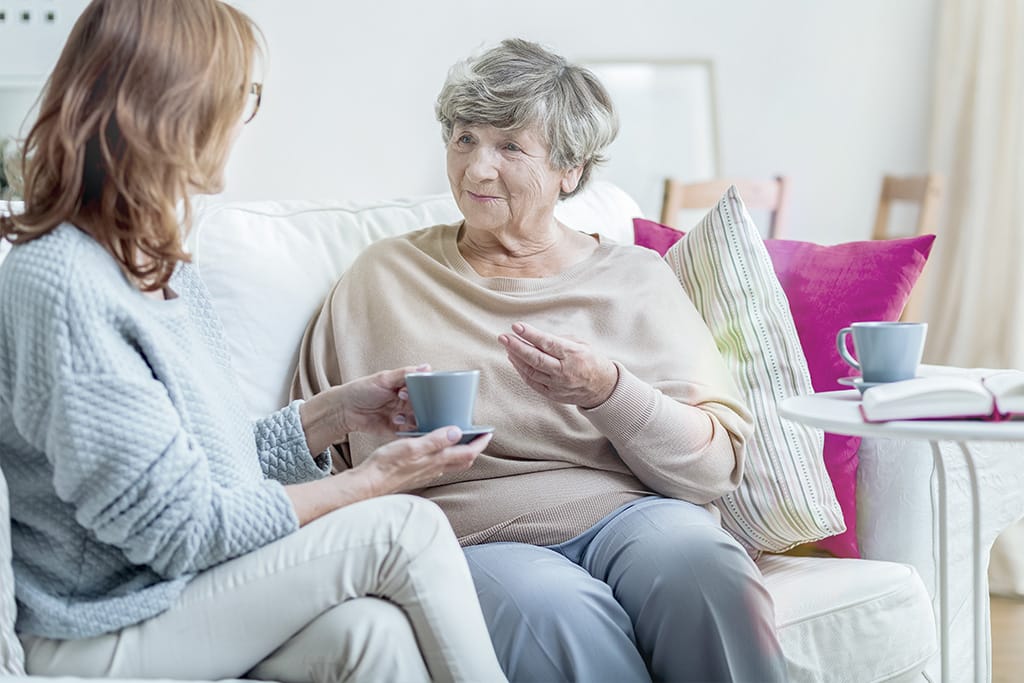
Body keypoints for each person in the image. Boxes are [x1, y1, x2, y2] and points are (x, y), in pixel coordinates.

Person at [0, 2, 507, 681]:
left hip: (167, 593)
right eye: (242, 94)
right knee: (401, 527)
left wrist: (336, 414)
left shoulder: (154, 265)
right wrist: (374, 480)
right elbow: (179, 526)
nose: (246, 118)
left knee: (371, 632)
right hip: (97, 625)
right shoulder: (64, 281)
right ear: (178, 106)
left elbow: (211, 468)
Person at [292, 38, 789, 683]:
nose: (476, 171)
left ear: (570, 171)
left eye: (509, 147)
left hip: (630, 512)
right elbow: (307, 450)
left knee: (707, 569)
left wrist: (608, 390)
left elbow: (714, 468)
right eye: (464, 139)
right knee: (556, 611)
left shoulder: (634, 279)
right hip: (470, 532)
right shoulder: (383, 277)